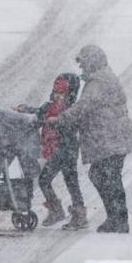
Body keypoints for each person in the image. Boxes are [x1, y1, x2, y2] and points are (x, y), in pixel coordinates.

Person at [49, 44, 132, 233]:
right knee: (107, 176)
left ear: (92, 61)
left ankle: (118, 220)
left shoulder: (98, 82)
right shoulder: (103, 77)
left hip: (111, 136)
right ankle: (117, 219)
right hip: (113, 136)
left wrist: (61, 119)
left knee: (105, 176)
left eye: (83, 62)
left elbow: (84, 106)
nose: (81, 67)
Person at [25, 73, 86, 228]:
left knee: (48, 180)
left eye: (62, 94)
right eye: (56, 93)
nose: (58, 97)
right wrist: (25, 110)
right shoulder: (48, 107)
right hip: (60, 150)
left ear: (70, 95)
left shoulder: (70, 111)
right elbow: (38, 112)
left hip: (66, 150)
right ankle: (70, 211)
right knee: (69, 181)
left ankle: (63, 211)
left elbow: (67, 125)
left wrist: (55, 124)